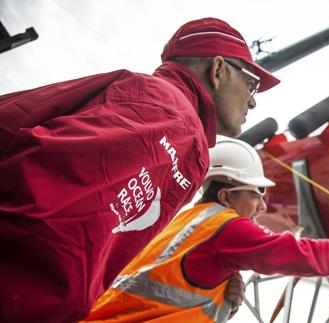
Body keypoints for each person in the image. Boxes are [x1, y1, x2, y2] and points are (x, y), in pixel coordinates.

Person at [0, 18, 279, 322]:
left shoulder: (156, 106)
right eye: (252, 84)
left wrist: (215, 275)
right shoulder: (171, 118)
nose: (253, 102)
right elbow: (50, 228)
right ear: (217, 70)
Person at [82, 137, 329, 322]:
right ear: (227, 195)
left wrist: (223, 306)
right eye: (257, 193)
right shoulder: (227, 228)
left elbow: (165, 296)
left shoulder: (184, 221)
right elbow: (298, 255)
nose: (262, 206)